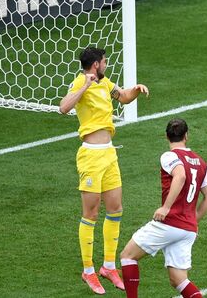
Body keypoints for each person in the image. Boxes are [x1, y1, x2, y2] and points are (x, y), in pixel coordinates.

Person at [59, 47, 149, 294]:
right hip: (90, 155)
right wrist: (84, 86)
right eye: (104, 61)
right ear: (96, 64)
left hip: (109, 153)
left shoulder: (106, 82)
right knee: (91, 213)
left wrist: (136, 90)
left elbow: (123, 97)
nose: (106, 63)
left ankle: (108, 266)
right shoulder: (80, 82)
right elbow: (63, 107)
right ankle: (88, 270)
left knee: (115, 208)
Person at [118, 118, 207, 298]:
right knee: (178, 280)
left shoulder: (169, 156)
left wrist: (165, 207)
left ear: (166, 136)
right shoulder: (202, 163)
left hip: (169, 223)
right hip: (188, 229)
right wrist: (194, 220)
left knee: (127, 256)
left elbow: (180, 176)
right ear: (186, 136)